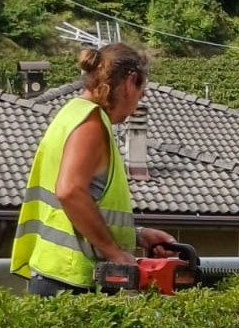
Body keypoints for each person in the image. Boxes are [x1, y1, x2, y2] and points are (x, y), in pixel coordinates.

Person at [11, 42, 176, 296]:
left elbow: (86, 206)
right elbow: (70, 192)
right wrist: (114, 253)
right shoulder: (91, 123)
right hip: (72, 279)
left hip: (56, 274)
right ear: (131, 81)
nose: (135, 109)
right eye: (140, 95)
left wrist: (136, 236)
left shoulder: (70, 113)